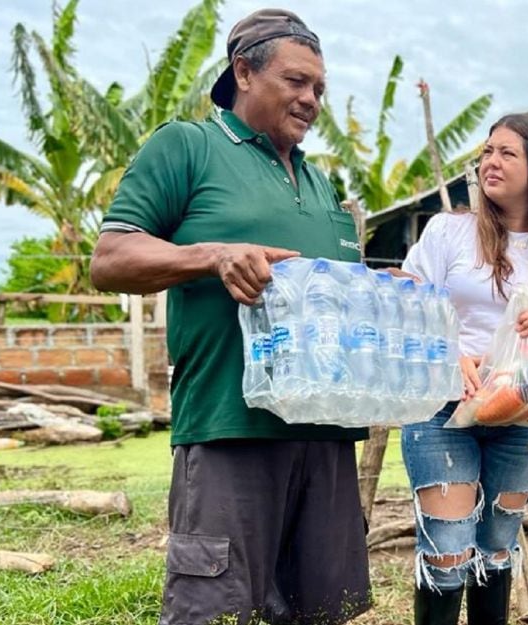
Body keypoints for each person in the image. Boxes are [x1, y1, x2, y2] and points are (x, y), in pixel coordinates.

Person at [90, 9, 370, 624]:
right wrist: (214, 255)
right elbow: (110, 258)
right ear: (243, 71)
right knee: (214, 612)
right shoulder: (189, 147)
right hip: (229, 429)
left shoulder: (322, 184)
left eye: (319, 88)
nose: (312, 100)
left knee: (322, 612)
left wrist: (381, 289)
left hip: (325, 438)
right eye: (297, 81)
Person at [399, 113, 528, 625]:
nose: (491, 161)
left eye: (507, 153)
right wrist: (450, 352)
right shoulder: (449, 232)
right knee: (447, 549)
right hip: (442, 407)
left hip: (525, 416)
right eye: (487, 151)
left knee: (495, 549)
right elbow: (409, 301)